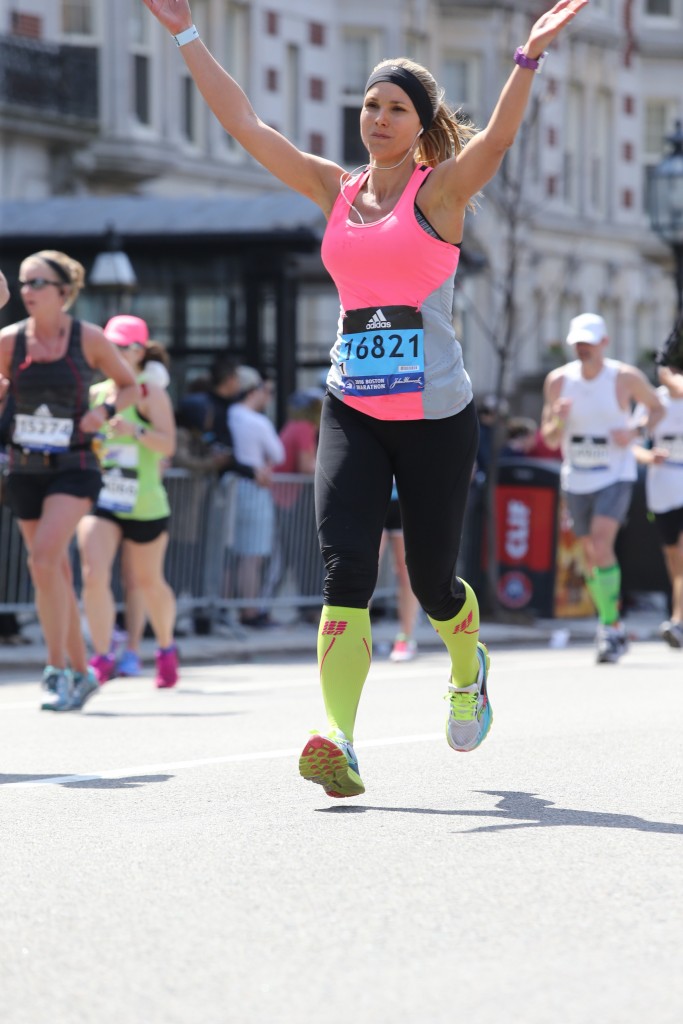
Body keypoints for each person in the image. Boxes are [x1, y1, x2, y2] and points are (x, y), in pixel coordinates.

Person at [143, 0, 588, 798]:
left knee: (430, 580)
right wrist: (185, 32)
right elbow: (246, 125)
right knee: (345, 567)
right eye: (369, 105)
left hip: (436, 417)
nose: (377, 117)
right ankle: (339, 740)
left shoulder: (441, 193)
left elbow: (497, 141)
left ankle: (465, 662)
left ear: (420, 127)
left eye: (395, 108)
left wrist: (526, 58)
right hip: (351, 405)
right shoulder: (335, 189)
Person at [0, 251, 138, 710]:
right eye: (23, 282)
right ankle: (81, 673)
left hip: (75, 467)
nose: (28, 291)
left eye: (38, 282)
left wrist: (104, 411)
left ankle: (56, 667)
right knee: (51, 570)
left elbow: (129, 383)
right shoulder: (8, 342)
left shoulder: (89, 338)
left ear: (63, 291)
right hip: (24, 468)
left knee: (42, 560)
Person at [541, 312, 664, 664]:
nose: (583, 349)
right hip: (576, 475)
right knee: (590, 554)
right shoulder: (558, 381)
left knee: (600, 541)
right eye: (578, 343)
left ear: (604, 343)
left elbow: (654, 408)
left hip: (616, 472)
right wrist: (560, 418)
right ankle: (613, 624)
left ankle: (608, 626)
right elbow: (549, 437)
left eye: (589, 342)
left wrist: (636, 431)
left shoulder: (624, 377)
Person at [76, 315, 179, 688]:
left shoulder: (151, 392)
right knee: (93, 573)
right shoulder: (97, 393)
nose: (114, 353)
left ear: (139, 351)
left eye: (122, 347)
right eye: (109, 346)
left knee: (148, 582)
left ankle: (166, 648)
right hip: (104, 499)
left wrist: (134, 429)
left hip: (145, 502)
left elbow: (168, 445)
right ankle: (101, 656)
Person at [632, 320, 683, 648]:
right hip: (662, 485)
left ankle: (677, 621)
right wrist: (648, 457)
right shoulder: (651, 401)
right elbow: (633, 442)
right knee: (673, 558)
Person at [227, 366, 285, 626]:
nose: (269, 396)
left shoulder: (230, 415)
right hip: (253, 489)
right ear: (253, 390)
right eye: (267, 390)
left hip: (231, 489)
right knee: (252, 556)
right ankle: (249, 611)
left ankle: (230, 608)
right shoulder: (256, 421)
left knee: (232, 554)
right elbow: (279, 454)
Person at [268, 388, 323, 620]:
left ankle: (305, 608)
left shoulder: (294, 426)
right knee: (300, 557)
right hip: (291, 502)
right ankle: (307, 609)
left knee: (294, 557)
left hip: (285, 500)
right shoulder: (303, 428)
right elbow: (305, 466)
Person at [379, 482, 420, 662]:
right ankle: (356, 636)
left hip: (405, 498)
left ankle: (406, 637)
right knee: (364, 570)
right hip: (374, 496)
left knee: (406, 571)